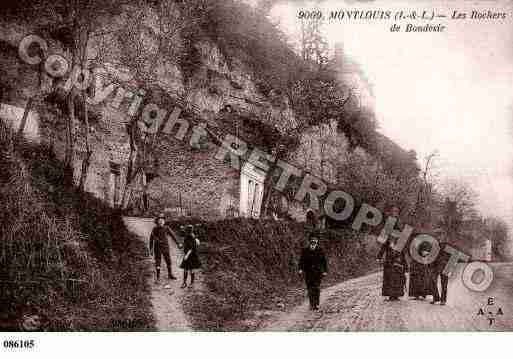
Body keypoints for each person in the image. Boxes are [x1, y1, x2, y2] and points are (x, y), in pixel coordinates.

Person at [298, 234, 328, 311]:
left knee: (316, 288)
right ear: (309, 241)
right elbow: (301, 260)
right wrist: (300, 269)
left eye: (315, 240)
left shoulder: (320, 250)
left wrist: (325, 271)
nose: (313, 242)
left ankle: (316, 304)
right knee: (310, 289)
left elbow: (324, 261)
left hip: (318, 273)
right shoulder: (305, 250)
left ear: (317, 242)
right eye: (312, 240)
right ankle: (312, 304)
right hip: (308, 273)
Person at [149, 213, 180, 283]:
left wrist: (178, 243)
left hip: (166, 247)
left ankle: (170, 274)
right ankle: (158, 277)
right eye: (159, 221)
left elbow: (173, 236)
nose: (161, 222)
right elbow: (151, 239)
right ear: (157, 222)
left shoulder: (166, 228)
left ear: (164, 221)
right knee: (158, 262)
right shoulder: (154, 229)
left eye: (162, 220)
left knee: (168, 261)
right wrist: (150, 249)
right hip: (157, 248)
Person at [377, 237, 408, 301]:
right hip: (389, 263)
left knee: (398, 279)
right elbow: (382, 249)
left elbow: (403, 254)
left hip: (398, 263)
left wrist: (405, 266)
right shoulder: (387, 241)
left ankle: (396, 295)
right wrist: (379, 257)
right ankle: (391, 295)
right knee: (390, 279)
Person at [429, 230, 451, 305]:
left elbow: (451, 257)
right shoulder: (434, 245)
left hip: (445, 266)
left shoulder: (447, 245)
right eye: (436, 235)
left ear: (443, 235)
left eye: (439, 235)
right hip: (435, 266)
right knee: (432, 281)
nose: (438, 237)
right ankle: (436, 298)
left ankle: (443, 300)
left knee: (444, 284)